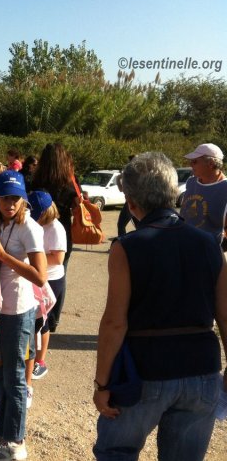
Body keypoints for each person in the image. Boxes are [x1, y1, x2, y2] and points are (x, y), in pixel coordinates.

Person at [93, 152, 227, 461]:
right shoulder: (210, 245)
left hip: (146, 370)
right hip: (202, 370)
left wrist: (102, 384)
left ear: (131, 203)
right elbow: (225, 313)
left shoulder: (126, 247)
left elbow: (115, 322)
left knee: (117, 452)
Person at [0, 170, 47, 461]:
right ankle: (3, 434)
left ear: (24, 199)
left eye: (17, 198)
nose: (11, 204)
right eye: (5, 198)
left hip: (18, 310)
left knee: (15, 378)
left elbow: (40, 277)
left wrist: (3, 255)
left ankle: (16, 441)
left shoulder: (29, 228)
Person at [27, 191, 67, 382]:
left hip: (50, 279)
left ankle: (40, 362)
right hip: (34, 275)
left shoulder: (55, 228)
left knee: (43, 321)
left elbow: (58, 258)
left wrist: (32, 257)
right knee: (34, 321)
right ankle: (30, 356)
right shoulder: (36, 223)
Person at [180, 143, 227, 245]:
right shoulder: (191, 182)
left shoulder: (224, 188)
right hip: (183, 245)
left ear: (210, 163)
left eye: (194, 161)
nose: (190, 164)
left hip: (208, 252)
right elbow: (184, 214)